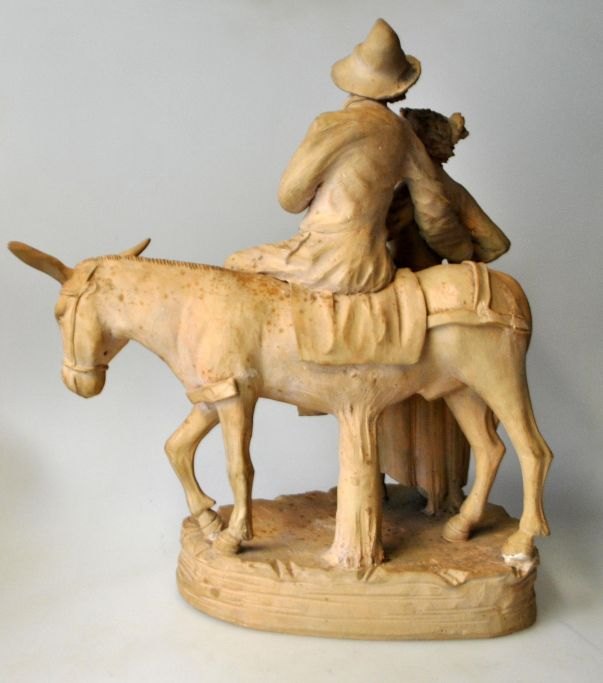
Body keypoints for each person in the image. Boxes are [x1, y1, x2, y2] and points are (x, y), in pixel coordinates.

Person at [225, 19, 470, 294]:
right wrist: (465, 256)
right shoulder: (406, 136)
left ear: (350, 78)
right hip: (373, 268)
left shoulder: (329, 125)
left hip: (320, 261)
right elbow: (434, 214)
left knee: (236, 263)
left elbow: (290, 199)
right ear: (399, 90)